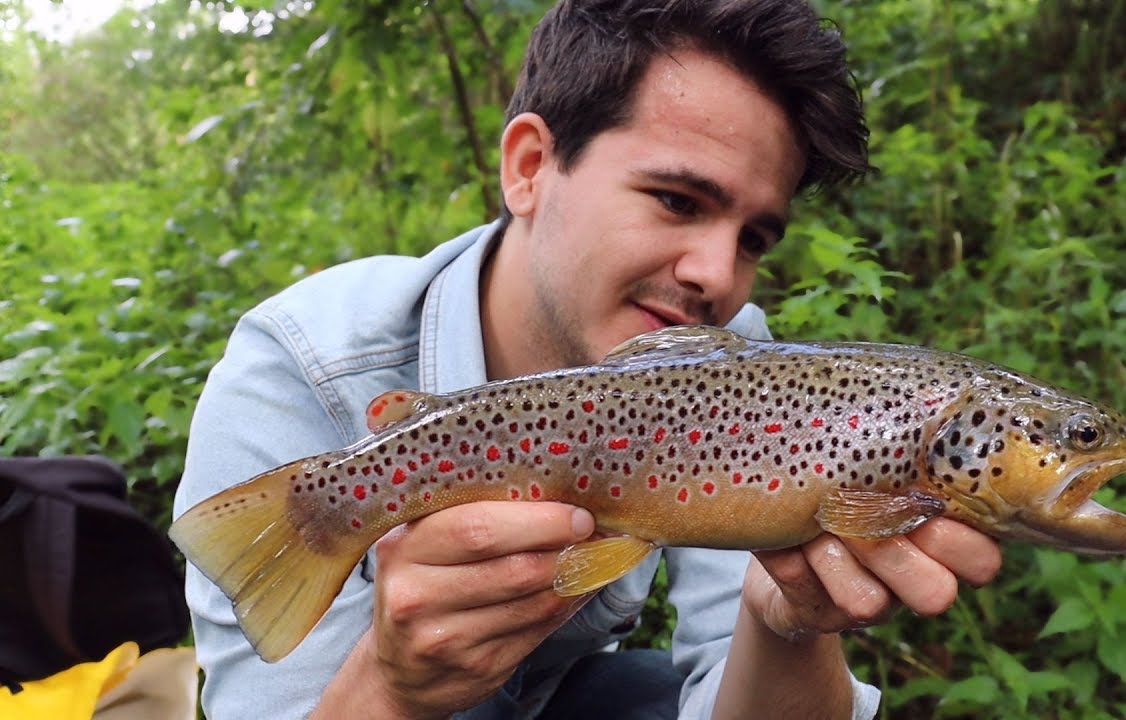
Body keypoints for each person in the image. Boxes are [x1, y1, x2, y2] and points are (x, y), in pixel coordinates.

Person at [172, 1, 1003, 718]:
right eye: (678, 200)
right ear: (530, 167)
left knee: (640, 692)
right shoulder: (302, 366)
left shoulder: (730, 368)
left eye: (753, 237)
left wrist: (787, 621)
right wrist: (393, 692)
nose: (717, 273)